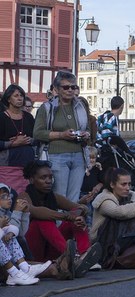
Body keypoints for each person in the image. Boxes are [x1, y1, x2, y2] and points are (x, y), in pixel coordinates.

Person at [18, 160, 101, 278]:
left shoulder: (53, 196)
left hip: (52, 250)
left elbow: (81, 208)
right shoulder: (23, 196)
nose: (48, 181)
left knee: (76, 218)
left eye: (50, 177)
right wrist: (68, 216)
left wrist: (76, 216)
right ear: (32, 179)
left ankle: (84, 255)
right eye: (43, 178)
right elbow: (37, 211)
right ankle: (72, 258)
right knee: (42, 219)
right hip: (32, 253)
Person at [33, 72, 90, 204]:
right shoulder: (47, 108)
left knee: (74, 198)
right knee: (60, 196)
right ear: (57, 89)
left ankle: (70, 224)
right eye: (66, 87)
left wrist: (85, 134)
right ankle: (59, 223)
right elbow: (37, 133)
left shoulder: (80, 106)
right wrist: (61, 135)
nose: (70, 90)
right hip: (56, 155)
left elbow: (87, 128)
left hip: (78, 155)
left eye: (73, 87)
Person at [0, 183, 51, 285]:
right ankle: (14, 273)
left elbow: (21, 233)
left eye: (9, 196)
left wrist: (24, 213)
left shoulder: (6, 213)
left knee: (12, 236)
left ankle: (25, 268)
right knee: (11, 235)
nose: (9, 199)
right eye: (4, 197)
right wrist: (17, 212)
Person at [0, 84, 37, 193]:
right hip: (8, 166)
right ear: (8, 99)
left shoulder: (29, 117)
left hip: (28, 165)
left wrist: (30, 140)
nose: (20, 98)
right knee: (10, 196)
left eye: (21, 95)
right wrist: (12, 144)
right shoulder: (2, 117)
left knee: (26, 198)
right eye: (16, 95)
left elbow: (37, 138)